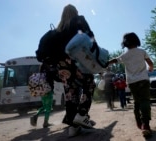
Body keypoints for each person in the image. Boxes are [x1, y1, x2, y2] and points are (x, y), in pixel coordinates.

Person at [50, 4, 97, 136]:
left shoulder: (58, 29)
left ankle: (73, 126)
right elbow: (90, 36)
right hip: (78, 61)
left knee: (71, 94)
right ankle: (82, 114)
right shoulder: (79, 20)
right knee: (89, 85)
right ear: (75, 12)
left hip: (63, 66)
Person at [109, 32, 154, 138]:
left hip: (132, 82)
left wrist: (106, 63)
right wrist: (151, 68)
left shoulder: (125, 55)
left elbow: (115, 60)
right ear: (137, 40)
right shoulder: (142, 51)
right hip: (143, 80)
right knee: (145, 101)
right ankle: (146, 125)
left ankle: (139, 122)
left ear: (124, 43)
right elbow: (150, 62)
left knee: (137, 102)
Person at [30, 63, 57, 128]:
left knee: (45, 106)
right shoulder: (49, 73)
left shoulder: (40, 75)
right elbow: (54, 79)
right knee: (48, 108)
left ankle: (36, 115)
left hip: (42, 93)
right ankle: (45, 123)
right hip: (48, 92)